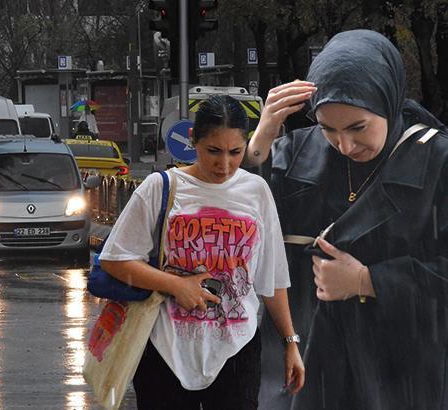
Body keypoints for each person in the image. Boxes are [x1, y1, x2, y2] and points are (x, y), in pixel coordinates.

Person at [245, 29, 448, 409]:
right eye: (328, 130)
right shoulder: (293, 152)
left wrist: (369, 281)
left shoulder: (436, 161)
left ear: (387, 103)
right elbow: (241, 233)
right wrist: (260, 143)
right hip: (304, 368)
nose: (345, 145)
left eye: (358, 128)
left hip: (400, 374)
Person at [99, 95, 305, 409]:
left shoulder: (256, 191)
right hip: (164, 350)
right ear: (193, 141)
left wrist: (291, 342)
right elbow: (115, 260)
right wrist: (177, 285)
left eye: (235, 152)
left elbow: (272, 278)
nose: (224, 165)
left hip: (237, 352)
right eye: (213, 151)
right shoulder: (161, 187)